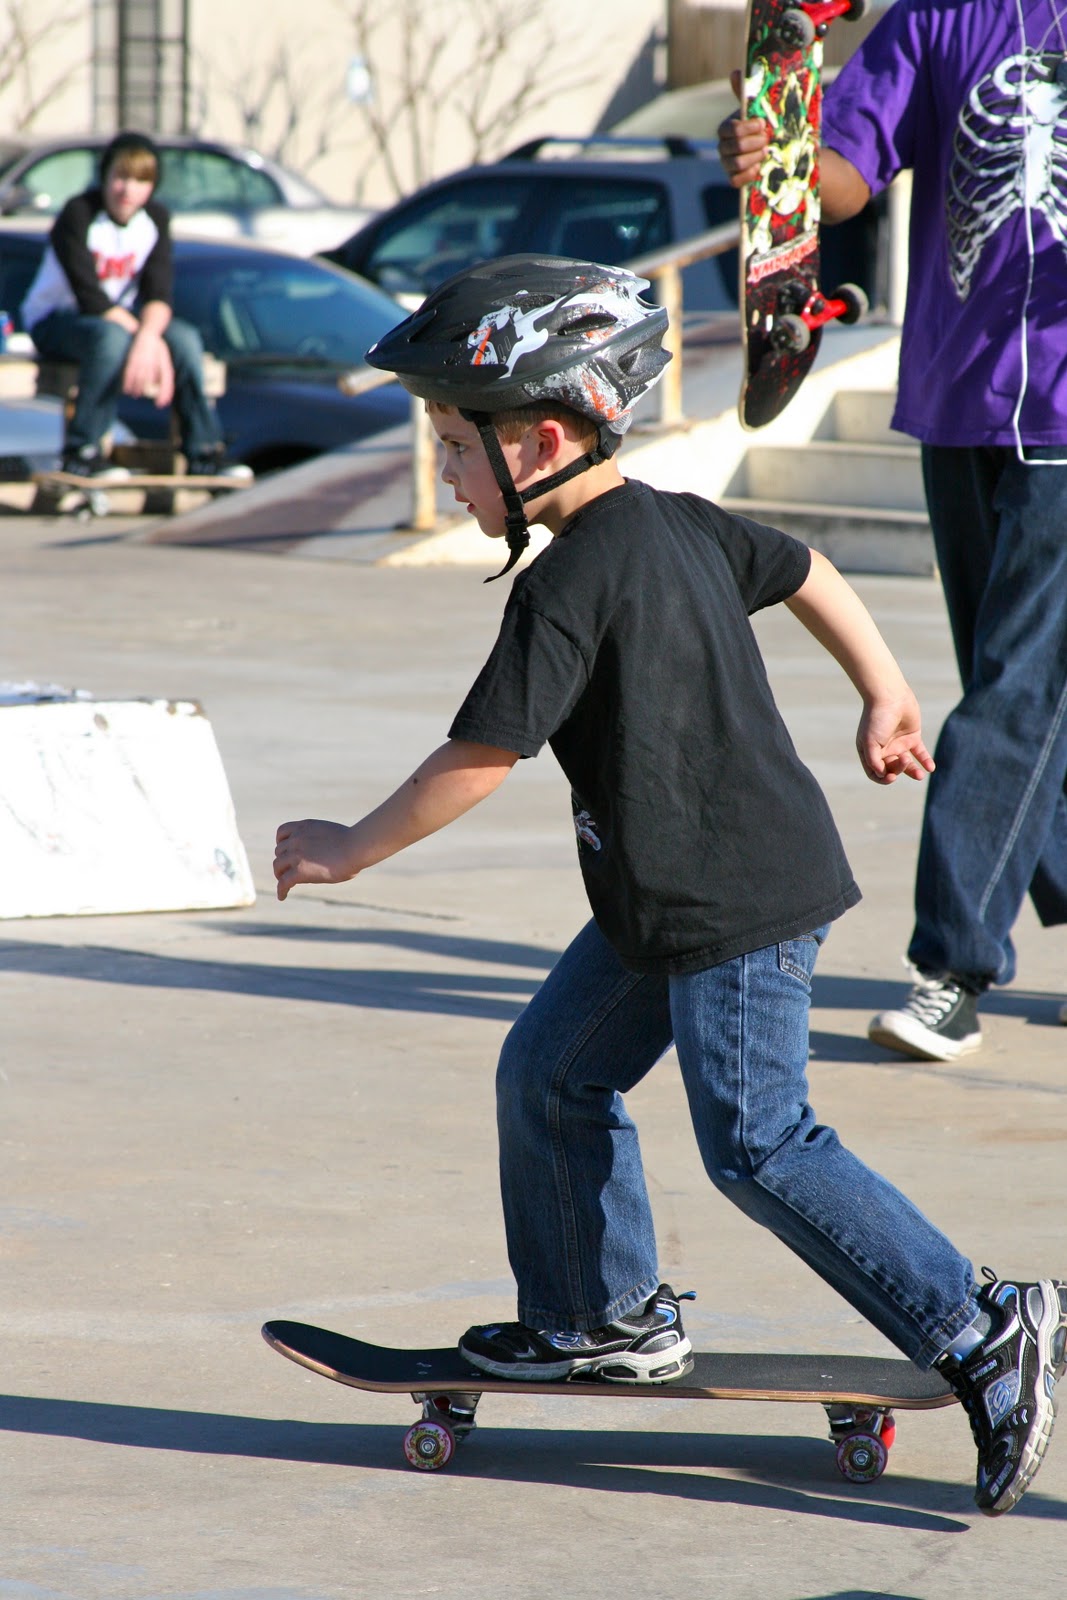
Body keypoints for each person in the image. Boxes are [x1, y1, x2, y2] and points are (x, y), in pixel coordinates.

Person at [273, 255, 1065, 1516]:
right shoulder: (677, 517)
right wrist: (883, 687)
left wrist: (348, 846)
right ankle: (604, 1316)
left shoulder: (567, 580)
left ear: (536, 438)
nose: (445, 472)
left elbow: (480, 758)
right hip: (664, 898)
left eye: (453, 447)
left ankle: (978, 1325)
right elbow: (804, 568)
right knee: (549, 1073)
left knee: (757, 1141)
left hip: (728, 904)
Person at [718, 2, 1067, 1063]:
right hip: (957, 400)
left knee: (1013, 690)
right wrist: (778, 160)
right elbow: (847, 176)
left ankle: (951, 966)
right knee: (1020, 688)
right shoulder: (932, 19)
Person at [20, 130, 249, 482]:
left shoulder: (154, 221)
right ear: (105, 177)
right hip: (56, 319)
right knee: (111, 339)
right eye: (120, 178)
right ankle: (83, 450)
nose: (128, 190)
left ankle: (204, 450)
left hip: (120, 323)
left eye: (140, 181)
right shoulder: (78, 214)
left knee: (185, 341)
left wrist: (150, 339)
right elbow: (89, 296)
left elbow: (159, 293)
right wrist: (147, 340)